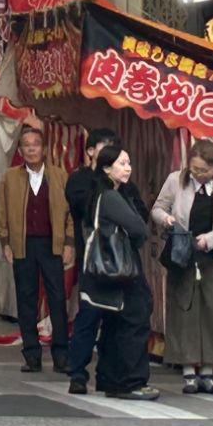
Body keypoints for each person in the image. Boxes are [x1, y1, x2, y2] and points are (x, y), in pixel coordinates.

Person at [75, 136, 158, 402]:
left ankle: (109, 379)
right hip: (122, 270)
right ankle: (130, 382)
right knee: (134, 320)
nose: (128, 168)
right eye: (122, 163)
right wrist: (136, 240)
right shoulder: (110, 196)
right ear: (106, 169)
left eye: (129, 163)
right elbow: (139, 229)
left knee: (113, 324)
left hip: (105, 274)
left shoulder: (102, 194)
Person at [152, 137, 213, 395]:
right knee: (183, 310)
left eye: (204, 171)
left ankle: (208, 371)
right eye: (195, 169)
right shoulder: (176, 180)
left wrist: (210, 239)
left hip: (211, 256)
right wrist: (166, 219)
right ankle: (187, 371)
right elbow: (157, 208)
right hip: (182, 255)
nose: (199, 175)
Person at [0, 125, 71, 372]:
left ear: (44, 148)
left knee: (57, 299)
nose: (31, 149)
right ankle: (31, 355)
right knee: (26, 299)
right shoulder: (11, 177)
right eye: (26, 145)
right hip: (23, 244)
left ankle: (61, 354)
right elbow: (2, 212)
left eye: (35, 144)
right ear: (20, 150)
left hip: (52, 244)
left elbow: (70, 214)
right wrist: (5, 242)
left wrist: (68, 243)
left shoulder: (59, 176)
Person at [62, 127, 118, 393]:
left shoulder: (123, 181)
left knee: (115, 319)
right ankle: (78, 373)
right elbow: (83, 209)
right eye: (103, 148)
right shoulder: (79, 180)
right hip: (91, 259)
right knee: (89, 315)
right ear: (90, 151)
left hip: (119, 262)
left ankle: (108, 373)